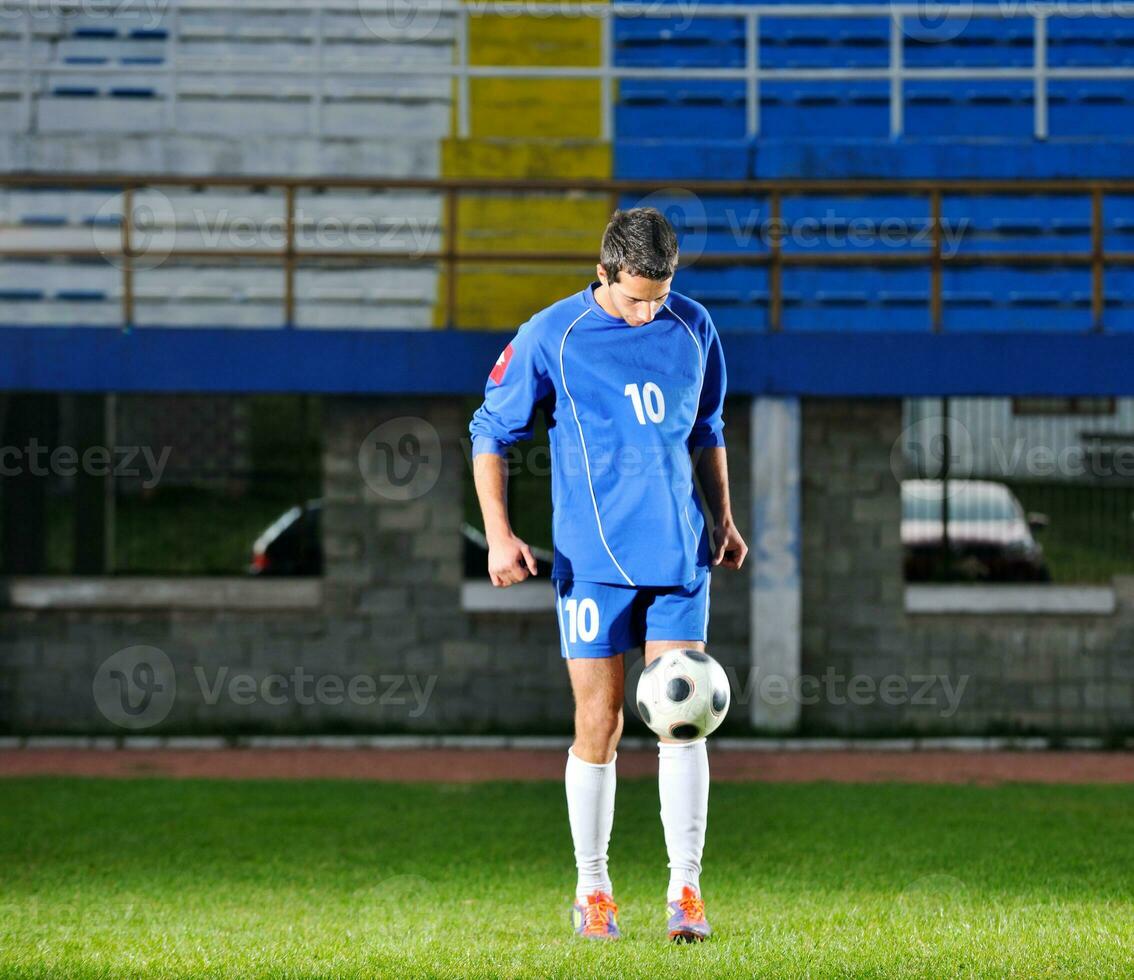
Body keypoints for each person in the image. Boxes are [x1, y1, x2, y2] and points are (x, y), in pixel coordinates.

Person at [468, 207, 747, 942]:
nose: (647, 310)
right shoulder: (551, 335)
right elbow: (490, 432)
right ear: (601, 274)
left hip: (680, 559)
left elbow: (708, 428)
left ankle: (686, 893)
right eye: (633, 297)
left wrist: (723, 518)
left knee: (681, 722)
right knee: (601, 724)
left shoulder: (694, 328)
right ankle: (594, 890)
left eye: (659, 294)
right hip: (592, 565)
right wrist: (499, 536)